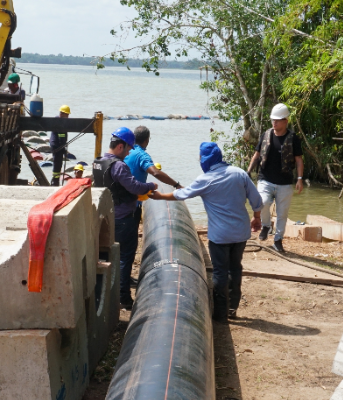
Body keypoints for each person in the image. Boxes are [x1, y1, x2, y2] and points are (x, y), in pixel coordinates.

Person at [151, 142, 263, 323]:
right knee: (235, 268)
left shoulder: (205, 180)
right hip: (241, 233)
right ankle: (233, 308)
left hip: (220, 236)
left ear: (205, 160)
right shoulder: (239, 173)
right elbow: (256, 199)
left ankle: (220, 314)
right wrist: (256, 217)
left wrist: (160, 196)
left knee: (219, 272)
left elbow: (182, 194)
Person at [93, 127, 158, 310]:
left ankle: (107, 294)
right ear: (120, 146)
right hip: (123, 218)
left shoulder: (98, 162)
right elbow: (135, 187)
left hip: (106, 216)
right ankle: (123, 297)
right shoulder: (119, 166)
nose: (129, 152)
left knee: (108, 255)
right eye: (128, 149)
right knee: (125, 257)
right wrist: (150, 185)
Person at [246, 103, 304, 253]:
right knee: (262, 202)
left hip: (284, 182)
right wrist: (248, 172)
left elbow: (298, 160)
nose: (275, 122)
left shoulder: (293, 138)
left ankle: (278, 240)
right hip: (265, 178)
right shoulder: (266, 134)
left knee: (282, 213)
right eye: (273, 120)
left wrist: (299, 178)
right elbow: (257, 155)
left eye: (278, 120)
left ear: (286, 121)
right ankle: (266, 225)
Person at [50, 105, 71, 186]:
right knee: (57, 164)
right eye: (67, 115)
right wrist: (63, 149)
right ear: (62, 114)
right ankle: (55, 181)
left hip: (56, 145)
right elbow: (61, 138)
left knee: (58, 163)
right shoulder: (60, 123)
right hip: (57, 146)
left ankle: (55, 180)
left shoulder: (58, 120)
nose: (68, 117)